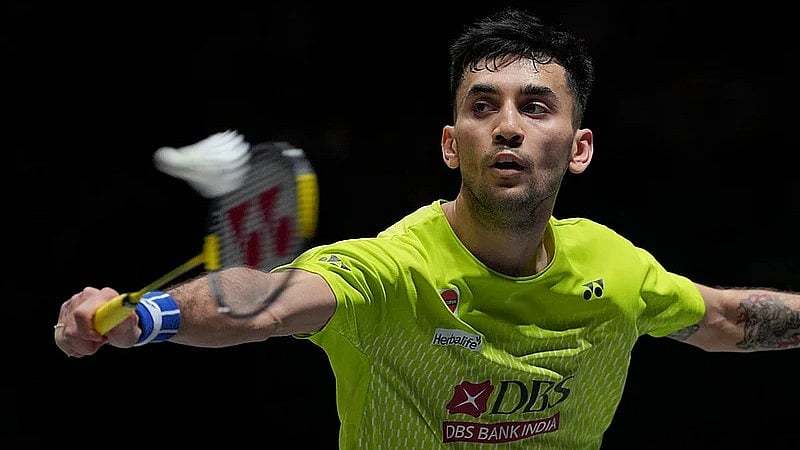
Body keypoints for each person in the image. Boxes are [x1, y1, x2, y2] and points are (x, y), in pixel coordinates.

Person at [53, 7, 800, 449]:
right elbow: (268, 298)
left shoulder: (617, 268)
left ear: (579, 148)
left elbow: (731, 320)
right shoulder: (392, 269)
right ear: (452, 144)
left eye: (535, 106)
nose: (506, 126)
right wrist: (148, 317)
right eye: (483, 106)